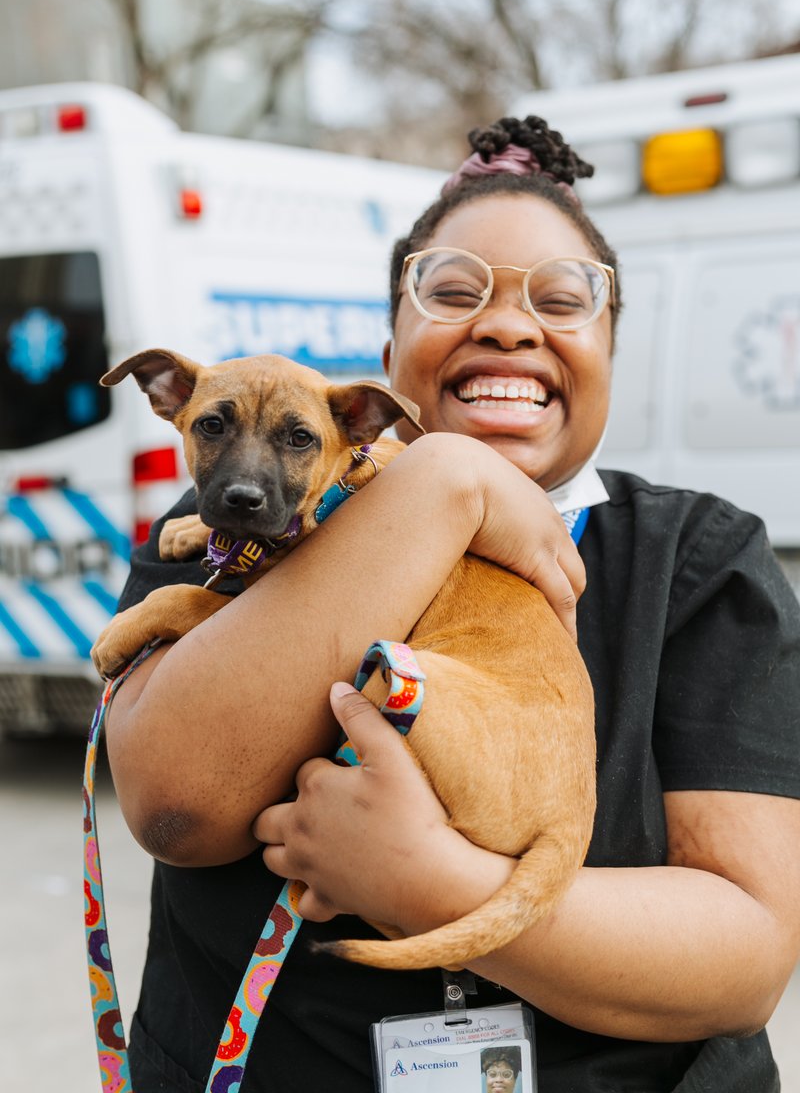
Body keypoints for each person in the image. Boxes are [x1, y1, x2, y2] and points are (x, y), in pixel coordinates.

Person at [106, 115, 800, 1092]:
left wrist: (428, 882)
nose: (509, 324)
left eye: (563, 300)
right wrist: (445, 483)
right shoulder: (234, 519)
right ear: (387, 346)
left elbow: (745, 960)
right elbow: (176, 803)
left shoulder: (698, 558)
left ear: (610, 350)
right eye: (450, 288)